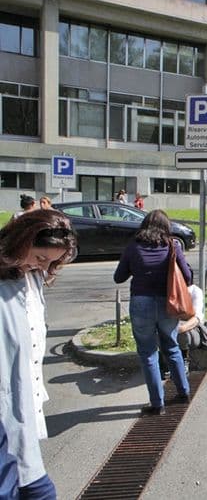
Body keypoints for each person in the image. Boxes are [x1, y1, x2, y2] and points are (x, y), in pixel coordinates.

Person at [0, 209, 76, 498]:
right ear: (21, 241)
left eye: (52, 262)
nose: (43, 266)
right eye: (40, 257)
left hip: (21, 412)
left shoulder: (31, 278)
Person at [113, 210, 192, 415]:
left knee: (148, 353)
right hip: (168, 303)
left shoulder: (133, 246)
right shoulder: (173, 245)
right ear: (167, 226)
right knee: (172, 346)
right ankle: (183, 393)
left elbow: (119, 277)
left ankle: (157, 404)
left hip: (141, 303)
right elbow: (187, 277)